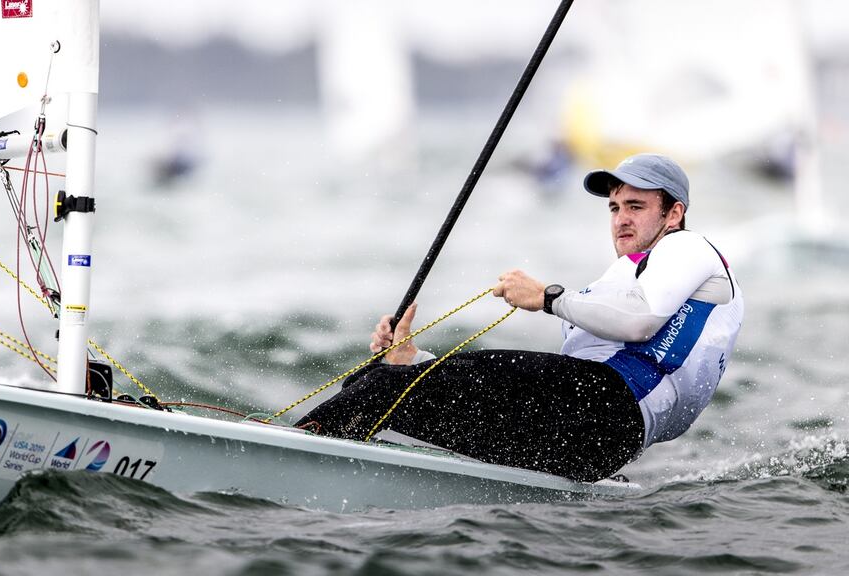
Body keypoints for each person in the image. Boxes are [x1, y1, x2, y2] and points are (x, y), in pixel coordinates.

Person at [296, 153, 744, 482]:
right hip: (594, 442)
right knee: (382, 378)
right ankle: (333, 467)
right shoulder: (634, 274)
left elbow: (639, 322)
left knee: (381, 387)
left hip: (605, 404)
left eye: (636, 206)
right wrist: (417, 359)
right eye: (614, 207)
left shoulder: (688, 247)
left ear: (675, 213)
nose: (620, 219)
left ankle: (291, 458)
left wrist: (548, 297)